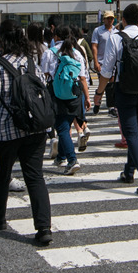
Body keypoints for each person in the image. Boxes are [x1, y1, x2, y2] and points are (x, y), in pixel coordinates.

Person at [0, 20, 57, 245]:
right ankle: (43, 228)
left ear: (3, 39)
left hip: (7, 130)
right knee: (35, 176)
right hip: (36, 128)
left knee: (1, 173)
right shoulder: (32, 62)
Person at [99, 3, 138, 188]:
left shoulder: (116, 39)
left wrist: (99, 93)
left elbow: (107, 71)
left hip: (124, 90)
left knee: (131, 134)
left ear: (123, 20)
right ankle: (129, 171)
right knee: (137, 132)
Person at [51, 31, 91, 175]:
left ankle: (72, 160)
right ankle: (61, 156)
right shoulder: (78, 54)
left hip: (57, 95)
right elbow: (83, 78)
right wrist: (87, 97)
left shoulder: (51, 53)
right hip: (75, 95)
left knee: (61, 128)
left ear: (56, 37)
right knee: (66, 125)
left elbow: (45, 75)